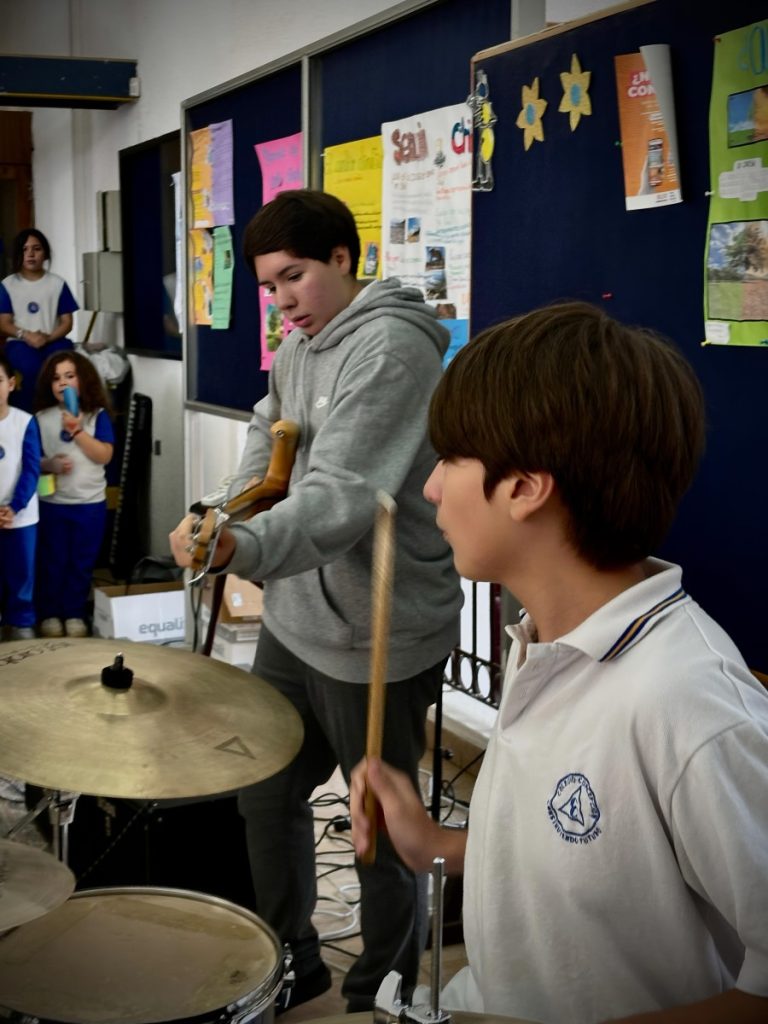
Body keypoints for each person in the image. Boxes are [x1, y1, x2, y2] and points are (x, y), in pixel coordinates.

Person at [350, 301, 768, 1024]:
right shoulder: (542, 646)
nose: (430, 487)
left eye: (450, 458)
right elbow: (587, 859)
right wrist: (437, 846)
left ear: (524, 488)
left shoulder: (689, 706)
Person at [170, 189, 462, 1012]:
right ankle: (292, 961)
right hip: (297, 621)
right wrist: (219, 515)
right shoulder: (300, 344)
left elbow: (340, 497)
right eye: (269, 285)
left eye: (294, 277)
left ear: (343, 257)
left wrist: (246, 550)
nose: (282, 300)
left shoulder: (391, 350)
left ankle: (382, 991)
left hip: (378, 631)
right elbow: (269, 438)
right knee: (264, 790)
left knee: (378, 831)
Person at [34, 350, 113, 638]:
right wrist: (49, 464)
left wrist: (77, 431)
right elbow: (31, 460)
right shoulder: (41, 418)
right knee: (53, 561)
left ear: (84, 379)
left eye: (70, 376)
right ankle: (50, 613)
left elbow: (104, 455)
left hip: (89, 505)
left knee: (81, 562)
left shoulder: (97, 416)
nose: (63, 383)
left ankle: (75, 612)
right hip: (52, 503)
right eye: (56, 378)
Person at [0, 228, 79, 413]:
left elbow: (67, 322)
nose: (30, 254)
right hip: (20, 342)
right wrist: (26, 335)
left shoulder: (58, 284)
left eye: (36, 249)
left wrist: (47, 338)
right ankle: (29, 418)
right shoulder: (7, 285)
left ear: (45, 254)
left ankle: (68, 415)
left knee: (62, 370)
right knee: (29, 369)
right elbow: (4, 323)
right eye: (25, 249)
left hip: (53, 340)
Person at [0, 351, 41, 640]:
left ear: (11, 384)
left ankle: (21, 621)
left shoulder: (24, 422)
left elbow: (31, 469)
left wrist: (14, 507)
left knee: (21, 572)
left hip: (21, 515)